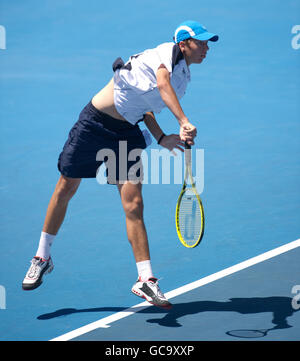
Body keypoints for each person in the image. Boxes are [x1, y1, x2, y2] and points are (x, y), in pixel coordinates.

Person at [22, 20, 218, 309]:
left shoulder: (183, 78)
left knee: (134, 205)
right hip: (94, 123)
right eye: (201, 42)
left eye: (207, 42)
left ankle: (145, 279)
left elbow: (147, 105)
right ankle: (42, 257)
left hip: (125, 134)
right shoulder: (162, 54)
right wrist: (183, 121)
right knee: (66, 187)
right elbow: (160, 84)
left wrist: (161, 136)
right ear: (182, 44)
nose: (206, 48)